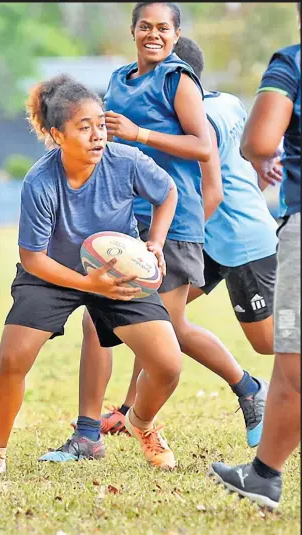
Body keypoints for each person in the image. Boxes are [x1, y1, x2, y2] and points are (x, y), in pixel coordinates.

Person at [47, 2, 268, 462]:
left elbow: (203, 146)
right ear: (132, 30)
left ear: (175, 33)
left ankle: (229, 395)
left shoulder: (178, 79)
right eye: (145, 26)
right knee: (96, 321)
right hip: (127, 221)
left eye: (163, 28)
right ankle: (89, 434)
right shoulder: (121, 79)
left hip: (174, 223)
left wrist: (139, 133)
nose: (153, 34)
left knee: (167, 330)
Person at [0, 73, 184, 473]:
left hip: (117, 270)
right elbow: (32, 257)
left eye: (101, 124)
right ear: (57, 134)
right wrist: (86, 284)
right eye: (85, 128)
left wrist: (154, 242)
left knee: (168, 365)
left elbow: (167, 192)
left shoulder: (126, 160)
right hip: (53, 271)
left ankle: (142, 423)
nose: (98, 135)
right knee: (12, 358)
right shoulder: (40, 181)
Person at [209, 5, 300, 509]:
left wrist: (264, 153)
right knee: (288, 365)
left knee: (291, 361)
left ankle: (264, 472)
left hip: (292, 228)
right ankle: (264, 474)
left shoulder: (291, 64)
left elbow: (260, 140)